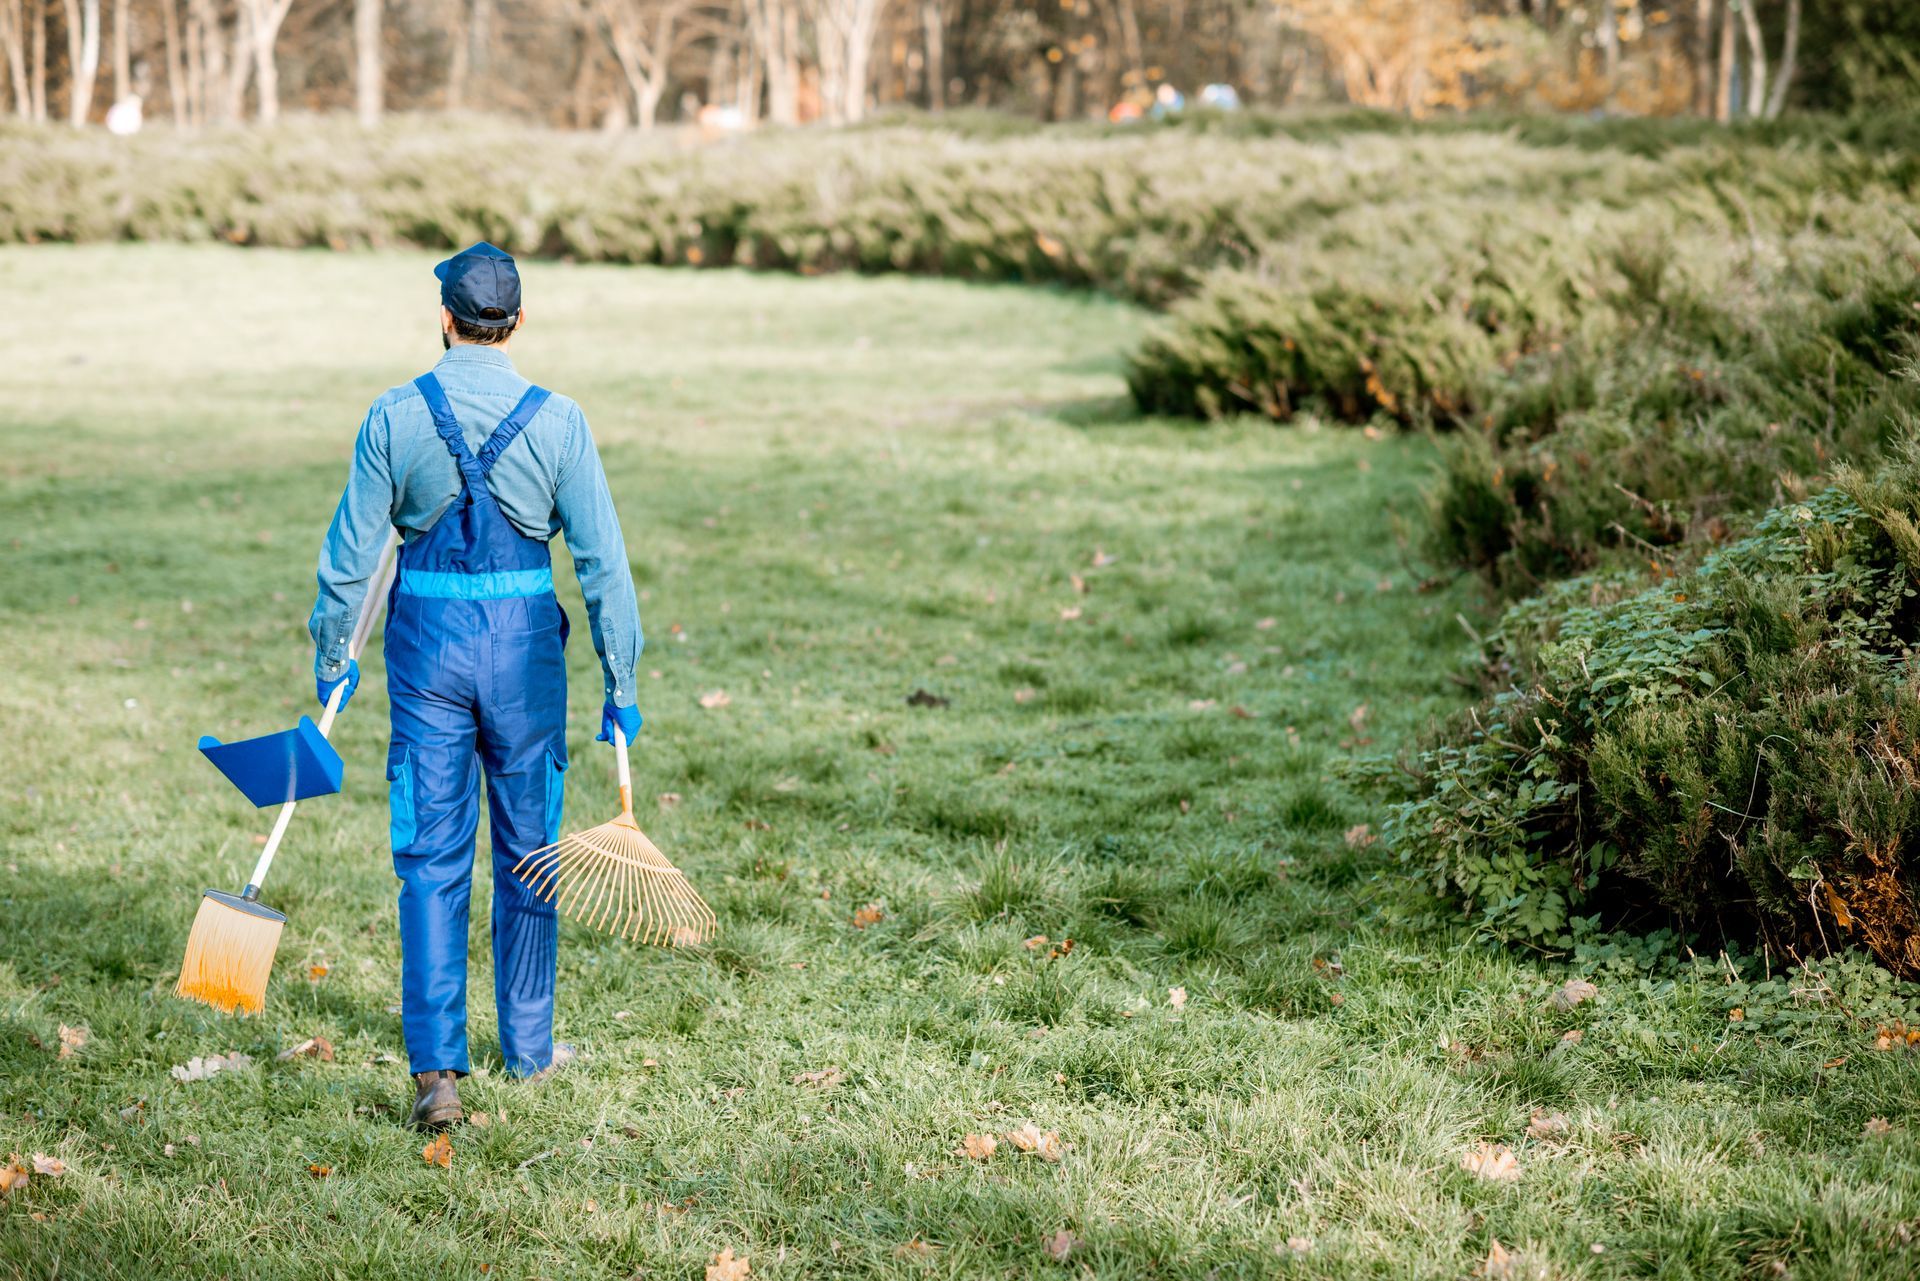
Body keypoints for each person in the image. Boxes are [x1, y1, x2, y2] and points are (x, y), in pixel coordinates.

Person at [307, 242, 643, 1131]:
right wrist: (622, 677)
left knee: (429, 853)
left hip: (427, 651)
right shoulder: (561, 421)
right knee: (530, 845)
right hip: (525, 653)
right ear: (517, 323)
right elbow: (603, 562)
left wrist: (332, 651)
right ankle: (530, 1049)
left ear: (445, 320)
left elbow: (349, 557)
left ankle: (436, 1072)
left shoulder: (393, 414)